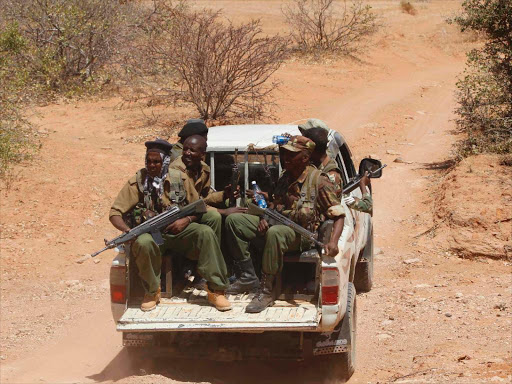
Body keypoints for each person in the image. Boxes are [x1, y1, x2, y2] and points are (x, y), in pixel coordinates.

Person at [109, 139, 232, 312]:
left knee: (205, 233)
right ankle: (152, 292)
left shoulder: (179, 178)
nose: (151, 165)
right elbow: (115, 212)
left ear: (165, 162)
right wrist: (128, 230)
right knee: (142, 243)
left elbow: (199, 207)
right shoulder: (138, 180)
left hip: (178, 231)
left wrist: (186, 220)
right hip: (152, 234)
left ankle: (216, 290)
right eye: (148, 161)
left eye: (156, 162)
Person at [225, 136, 345, 313]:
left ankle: (266, 291)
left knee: (275, 233)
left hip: (303, 233)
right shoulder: (285, 178)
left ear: (305, 158)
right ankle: (248, 275)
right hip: (278, 223)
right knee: (234, 220)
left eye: (291, 155)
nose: (285, 158)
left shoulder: (319, 181)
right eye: (284, 154)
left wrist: (333, 242)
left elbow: (338, 214)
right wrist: (266, 216)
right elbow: (275, 204)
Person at [299, 119, 373, 214]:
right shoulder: (312, 159)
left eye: (304, 138)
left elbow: (366, 206)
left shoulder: (330, 176)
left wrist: (362, 184)